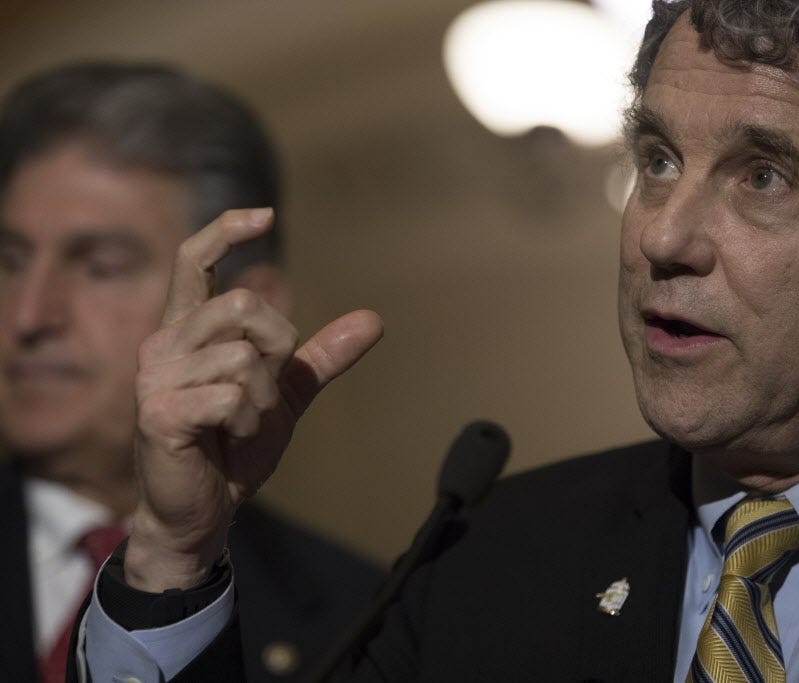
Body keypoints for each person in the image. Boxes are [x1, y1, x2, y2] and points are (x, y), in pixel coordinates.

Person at [76, 0, 799, 680]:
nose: (661, 235)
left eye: (763, 176)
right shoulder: (491, 557)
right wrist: (175, 554)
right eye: (658, 160)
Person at [0, 62, 383, 683]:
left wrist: (171, 557)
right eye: (10, 261)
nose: (27, 315)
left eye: (100, 266)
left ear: (243, 313)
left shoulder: (361, 618)